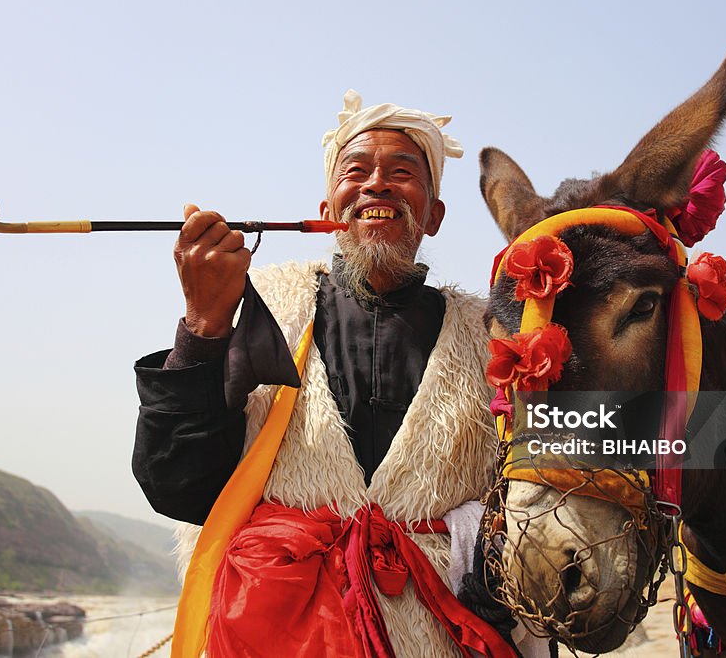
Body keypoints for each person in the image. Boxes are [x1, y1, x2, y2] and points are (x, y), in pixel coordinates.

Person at [132, 91, 531, 658]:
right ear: (327, 208)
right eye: (357, 171)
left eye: (402, 173)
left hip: (443, 638)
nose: (377, 185)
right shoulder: (261, 305)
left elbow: (536, 495)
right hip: (273, 633)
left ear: (434, 215)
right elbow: (177, 485)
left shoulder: (489, 336)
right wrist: (201, 324)